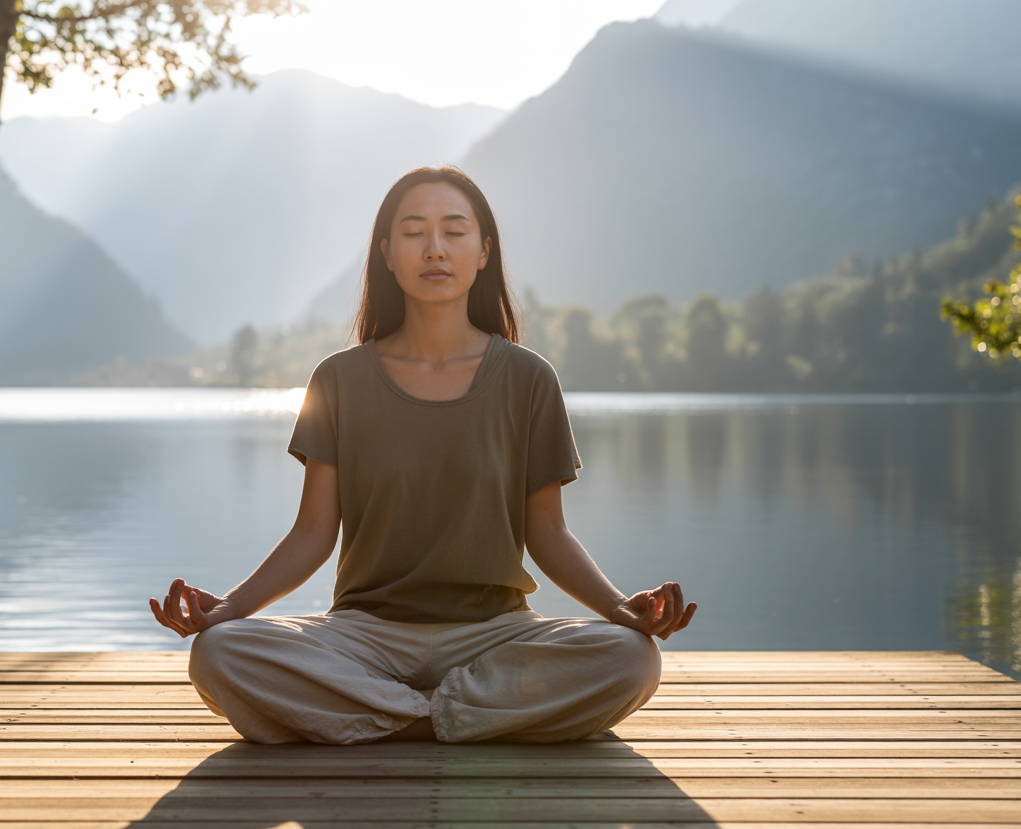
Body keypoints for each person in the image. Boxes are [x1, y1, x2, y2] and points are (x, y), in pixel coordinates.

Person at [150, 166, 697, 744]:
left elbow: (549, 534)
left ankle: (386, 714)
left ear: (484, 252)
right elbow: (313, 532)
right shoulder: (337, 380)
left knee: (630, 659)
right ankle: (449, 714)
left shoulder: (529, 379)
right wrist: (230, 609)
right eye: (414, 232)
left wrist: (619, 609)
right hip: (363, 636)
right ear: (386, 253)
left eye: (454, 231)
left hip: (495, 634)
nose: (434, 248)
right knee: (220, 653)